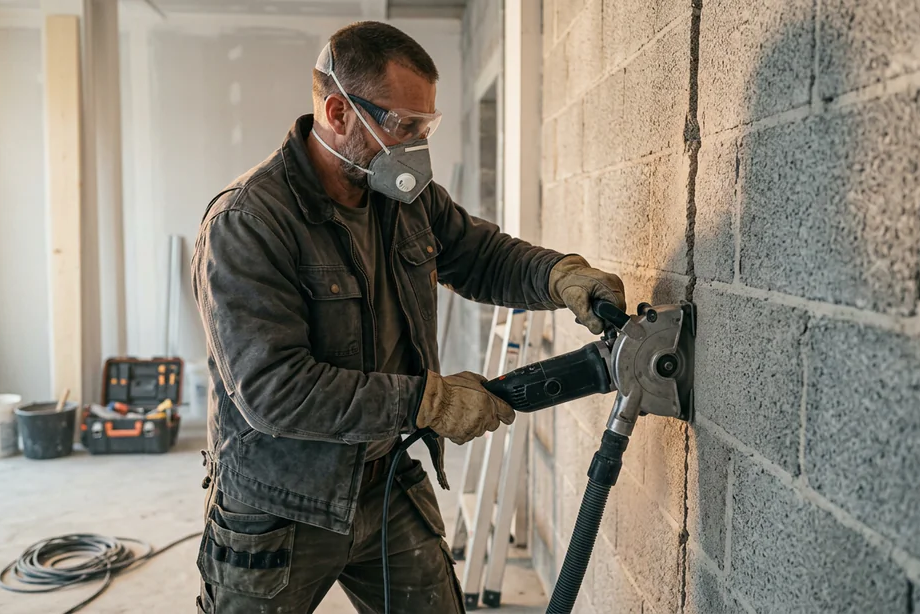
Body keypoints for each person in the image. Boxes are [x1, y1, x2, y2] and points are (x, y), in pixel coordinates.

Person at [191, 21, 625, 614]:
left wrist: (559, 276)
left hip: (382, 478)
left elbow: (479, 256)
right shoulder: (249, 223)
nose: (417, 145)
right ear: (339, 112)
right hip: (280, 501)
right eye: (403, 125)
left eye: (426, 126)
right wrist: (429, 401)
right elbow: (275, 391)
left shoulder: (402, 195)